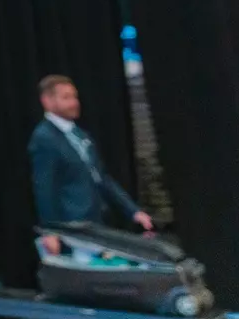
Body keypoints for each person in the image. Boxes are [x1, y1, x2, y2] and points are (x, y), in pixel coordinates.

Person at [30, 75, 153, 247]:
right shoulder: (44, 138)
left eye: (74, 96)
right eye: (66, 97)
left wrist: (133, 211)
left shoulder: (81, 135)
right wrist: (50, 231)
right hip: (73, 227)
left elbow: (101, 177)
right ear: (47, 101)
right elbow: (44, 187)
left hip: (96, 221)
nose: (74, 102)